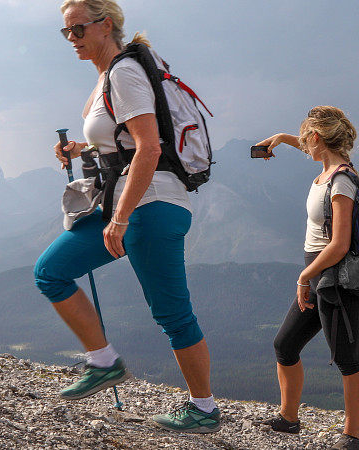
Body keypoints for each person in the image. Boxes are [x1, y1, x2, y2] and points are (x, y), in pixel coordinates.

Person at [33, 0, 221, 434]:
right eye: (66, 32)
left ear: (107, 24)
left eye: (78, 29)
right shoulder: (107, 75)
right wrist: (80, 149)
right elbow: (121, 141)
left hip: (152, 206)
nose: (72, 39)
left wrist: (119, 220)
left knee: (172, 315)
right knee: (51, 272)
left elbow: (150, 148)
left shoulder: (124, 72)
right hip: (123, 203)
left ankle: (204, 408)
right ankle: (104, 361)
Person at [253, 106, 359, 449]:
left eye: (306, 137)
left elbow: (340, 244)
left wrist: (305, 275)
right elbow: (307, 147)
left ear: (317, 137)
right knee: (285, 345)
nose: (303, 144)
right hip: (320, 273)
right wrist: (280, 139)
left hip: (337, 279)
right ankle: (289, 419)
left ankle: (353, 436)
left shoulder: (342, 181)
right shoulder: (326, 170)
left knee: (347, 358)